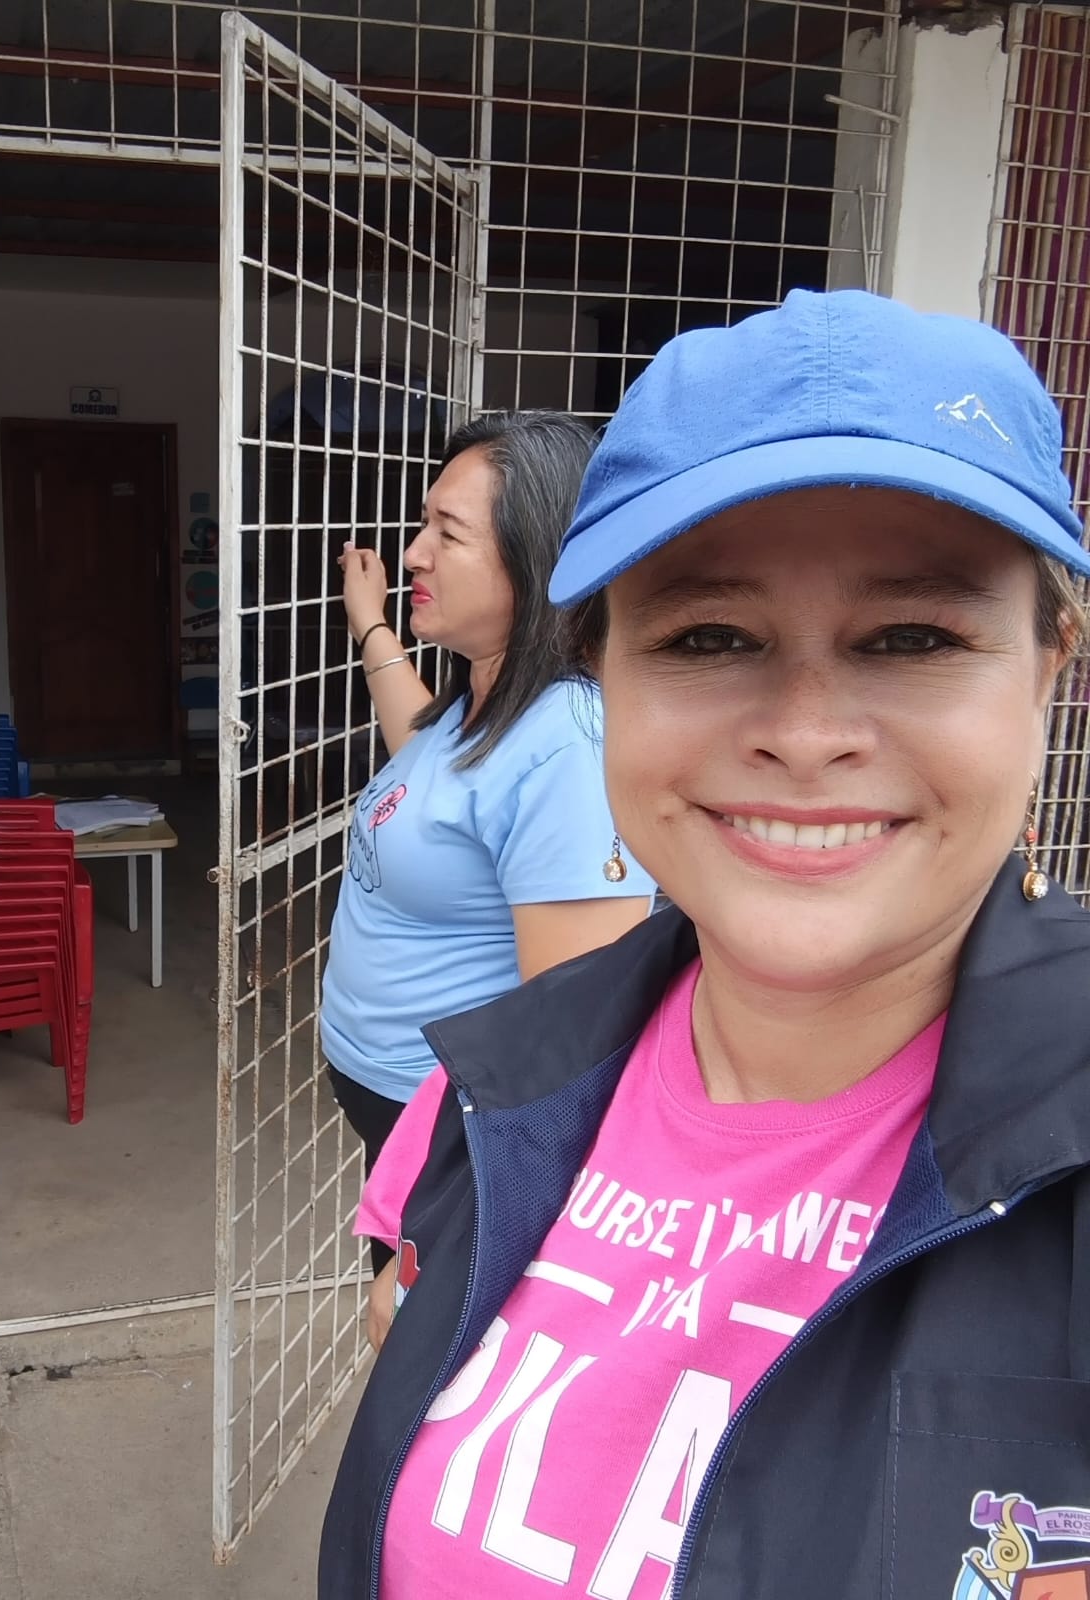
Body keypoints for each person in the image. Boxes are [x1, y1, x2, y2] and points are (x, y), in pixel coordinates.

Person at [320, 289, 1090, 1600]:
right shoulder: (488, 1093)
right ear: (604, 674)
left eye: (914, 636)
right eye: (710, 637)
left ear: (1046, 670)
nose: (805, 732)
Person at [323, 412, 654, 1269]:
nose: (414, 554)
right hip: (406, 1121)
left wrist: (476, 1220)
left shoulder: (568, 746)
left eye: (448, 531)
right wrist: (369, 622)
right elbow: (425, 760)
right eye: (422, 525)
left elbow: (569, 1033)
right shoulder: (482, 706)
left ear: (537, 558)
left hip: (458, 1147)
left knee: (419, 1347)